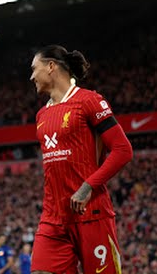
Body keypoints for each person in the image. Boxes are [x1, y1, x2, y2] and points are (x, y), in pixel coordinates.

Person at [28, 45, 133, 274]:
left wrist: (87, 187)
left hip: (92, 214)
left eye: (34, 69)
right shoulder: (41, 115)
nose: (31, 76)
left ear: (51, 66)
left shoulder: (89, 101)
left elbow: (123, 150)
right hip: (53, 218)